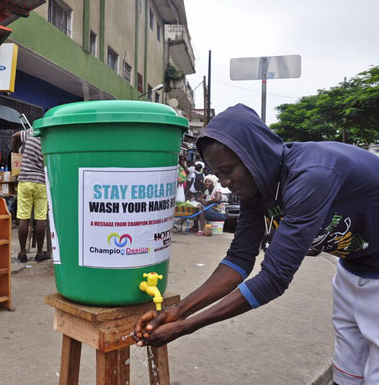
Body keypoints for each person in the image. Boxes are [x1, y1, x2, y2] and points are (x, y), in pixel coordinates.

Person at [133, 103, 379, 385]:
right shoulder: (256, 188)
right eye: (219, 173)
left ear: (254, 154)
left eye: (228, 170)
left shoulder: (312, 175)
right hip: (353, 269)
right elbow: (239, 260)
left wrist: (186, 327)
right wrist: (177, 311)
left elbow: (273, 279)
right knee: (347, 374)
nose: (225, 183)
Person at [11, 128, 49, 263]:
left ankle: (22, 253)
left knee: (23, 217)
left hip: (25, 180)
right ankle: (39, 253)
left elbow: (14, 136)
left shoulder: (30, 132)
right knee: (40, 218)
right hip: (41, 182)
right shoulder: (50, 138)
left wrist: (16, 152)